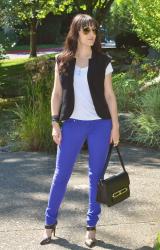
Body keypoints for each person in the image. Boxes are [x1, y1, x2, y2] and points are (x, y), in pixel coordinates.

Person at [40, 13, 120, 248]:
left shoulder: (103, 61)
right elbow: (56, 94)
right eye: (87, 31)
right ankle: (49, 224)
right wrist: (55, 123)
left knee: (96, 177)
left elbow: (109, 96)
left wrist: (115, 125)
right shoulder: (62, 60)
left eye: (94, 30)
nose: (92, 35)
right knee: (60, 175)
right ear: (76, 32)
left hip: (100, 125)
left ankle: (91, 228)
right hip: (71, 125)